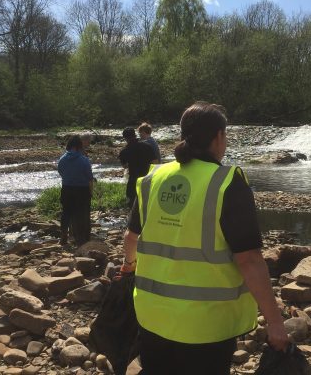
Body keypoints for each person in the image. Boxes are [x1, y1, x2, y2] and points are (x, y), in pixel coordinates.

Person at [121, 102, 289, 375]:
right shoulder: (227, 181)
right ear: (219, 136)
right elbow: (249, 259)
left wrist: (129, 266)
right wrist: (275, 322)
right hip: (206, 326)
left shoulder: (154, 177)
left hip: (152, 315)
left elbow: (131, 238)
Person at [57, 135, 93, 246]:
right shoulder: (84, 160)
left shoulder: (62, 159)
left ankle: (64, 236)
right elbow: (90, 178)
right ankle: (81, 238)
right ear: (79, 146)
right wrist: (91, 192)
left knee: (66, 212)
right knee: (82, 213)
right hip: (82, 189)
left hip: (67, 188)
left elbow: (61, 173)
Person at [118, 127, 157, 208]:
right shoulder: (147, 146)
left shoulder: (124, 151)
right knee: (148, 203)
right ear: (135, 135)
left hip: (133, 180)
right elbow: (155, 162)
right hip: (147, 178)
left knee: (132, 204)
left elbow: (124, 166)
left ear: (125, 138)